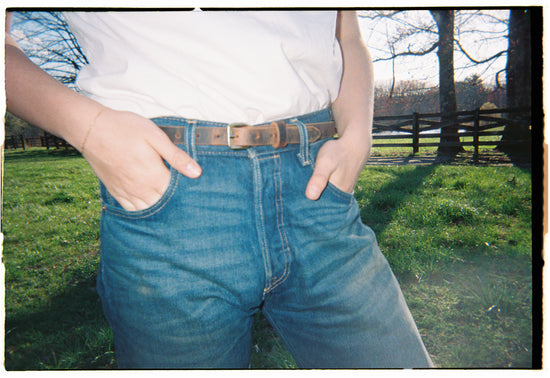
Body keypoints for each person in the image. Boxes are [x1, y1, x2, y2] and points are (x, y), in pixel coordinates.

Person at [5, 10, 433, 369]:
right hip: (172, 197)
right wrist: (90, 128)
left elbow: (346, 32)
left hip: (318, 190)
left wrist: (358, 135)